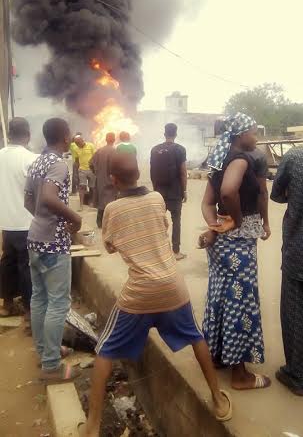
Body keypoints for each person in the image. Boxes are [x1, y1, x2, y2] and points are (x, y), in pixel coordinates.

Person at [79, 153, 232, 437]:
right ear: (140, 174)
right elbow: (162, 229)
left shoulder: (112, 209)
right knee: (195, 337)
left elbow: (110, 246)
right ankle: (218, 398)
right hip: (173, 287)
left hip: (139, 295)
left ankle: (92, 425)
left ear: (113, 180)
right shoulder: (157, 199)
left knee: (105, 350)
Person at [200, 113, 271, 390]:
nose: (256, 136)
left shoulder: (220, 160)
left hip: (224, 242)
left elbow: (207, 203)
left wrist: (216, 226)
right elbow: (229, 192)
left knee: (221, 295)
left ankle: (218, 355)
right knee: (239, 300)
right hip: (238, 244)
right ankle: (240, 375)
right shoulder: (241, 159)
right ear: (241, 135)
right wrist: (238, 221)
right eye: (254, 131)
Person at [24, 118, 82, 381]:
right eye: (69, 132)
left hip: (35, 238)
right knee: (58, 303)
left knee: (40, 299)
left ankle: (46, 350)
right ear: (65, 136)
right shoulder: (58, 164)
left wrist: (42, 218)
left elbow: (30, 200)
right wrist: (75, 218)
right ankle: (51, 366)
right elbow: (48, 197)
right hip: (53, 243)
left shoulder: (37, 161)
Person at [271, 147, 303, 395]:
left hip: (298, 251)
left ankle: (297, 375)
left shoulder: (295, 157)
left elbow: (276, 194)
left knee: (294, 312)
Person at [0, 118, 38, 321]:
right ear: (28, 134)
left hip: (5, 221)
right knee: (26, 266)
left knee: (7, 261)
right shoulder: (31, 159)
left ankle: (6, 304)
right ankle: (29, 311)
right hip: (26, 222)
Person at [150, 123, 187, 260]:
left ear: (164, 134)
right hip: (175, 192)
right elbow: (183, 173)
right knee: (176, 221)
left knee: (158, 222)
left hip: (159, 192)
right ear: (175, 134)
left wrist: (155, 190)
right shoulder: (180, 150)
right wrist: (184, 191)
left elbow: (152, 172)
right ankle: (176, 252)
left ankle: (158, 252)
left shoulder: (154, 150)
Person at [90, 132, 117, 228]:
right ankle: (109, 223)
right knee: (110, 201)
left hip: (100, 180)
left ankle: (99, 222)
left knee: (102, 200)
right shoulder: (115, 151)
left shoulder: (99, 151)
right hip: (111, 181)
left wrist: (97, 173)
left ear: (106, 139)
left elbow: (91, 163)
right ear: (114, 140)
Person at [74, 135, 96, 211]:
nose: (77, 144)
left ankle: (91, 202)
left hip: (91, 170)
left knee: (92, 187)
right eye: (76, 143)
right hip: (82, 170)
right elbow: (76, 161)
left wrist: (95, 169)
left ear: (82, 140)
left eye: (78, 142)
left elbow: (95, 157)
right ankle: (81, 205)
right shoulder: (76, 149)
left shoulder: (91, 146)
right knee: (82, 187)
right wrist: (76, 173)